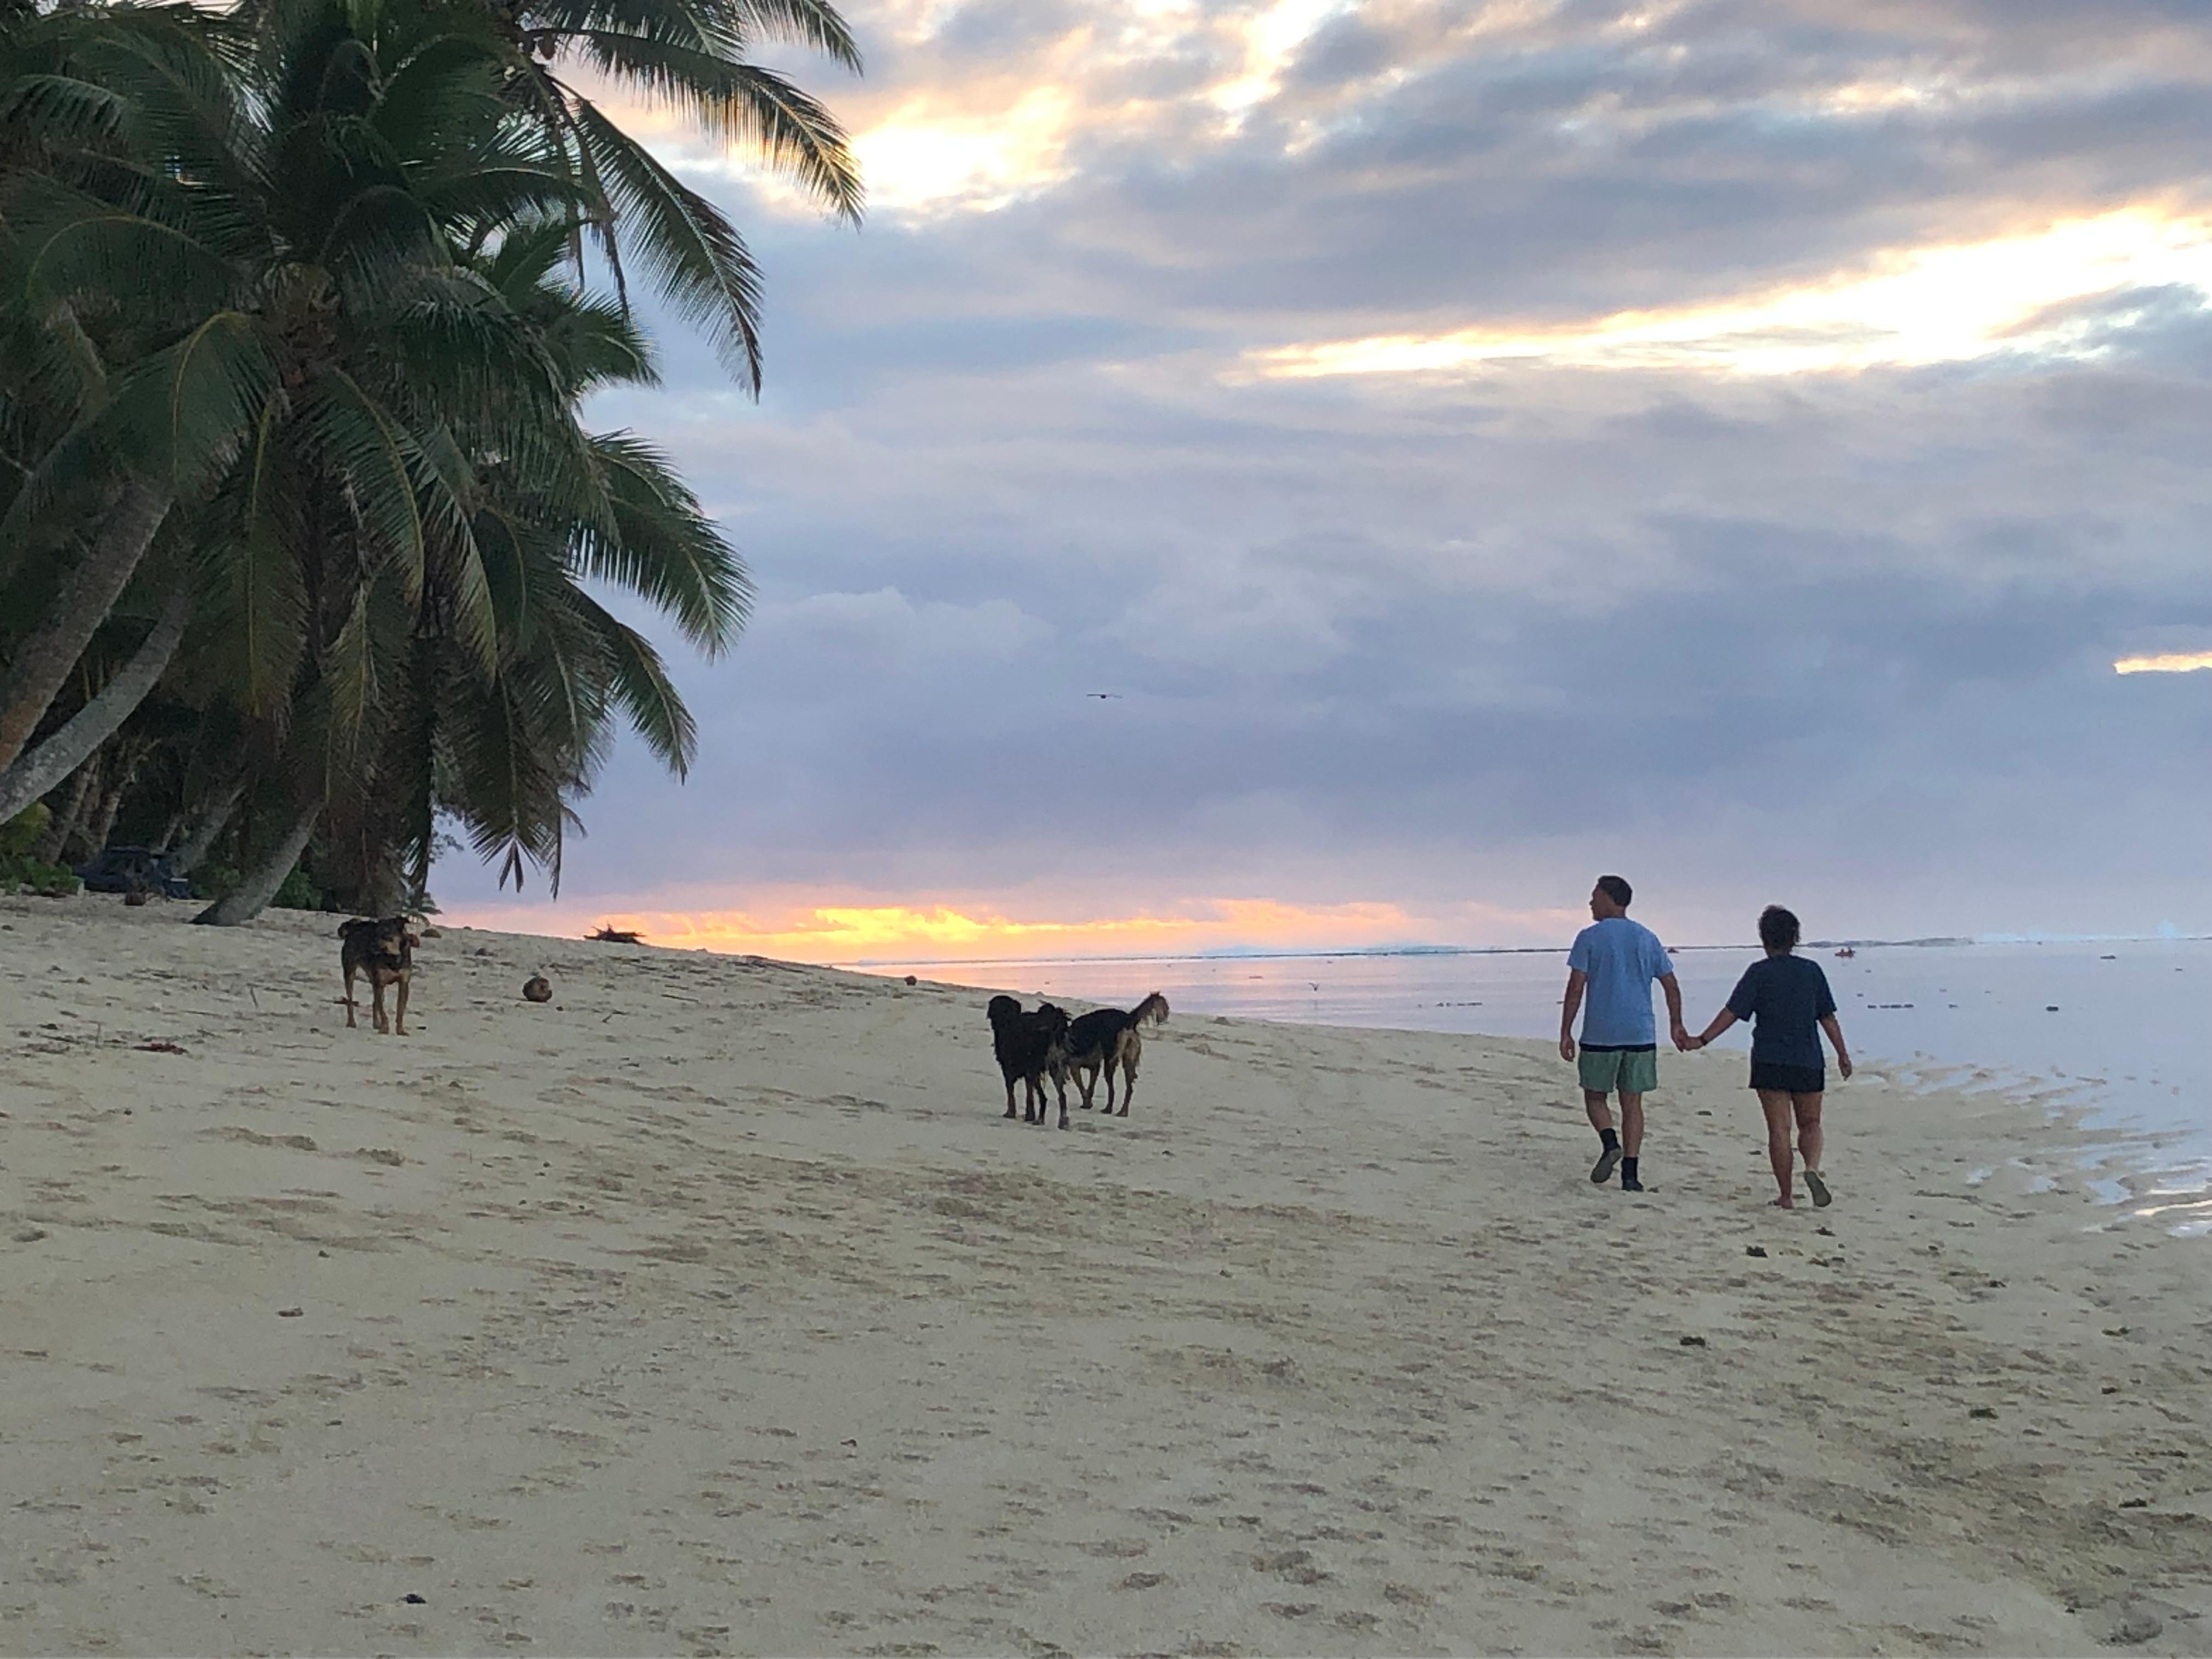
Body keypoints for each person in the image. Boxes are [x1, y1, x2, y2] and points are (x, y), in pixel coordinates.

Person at [1686, 904, 1852, 1209]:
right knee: (1812, 1123)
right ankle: (1812, 1169)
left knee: (1779, 1129)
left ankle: (1786, 1196)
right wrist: (1842, 1054)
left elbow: (1732, 1013)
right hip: (1808, 1059)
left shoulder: (1759, 973)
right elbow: (1827, 1017)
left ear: (1764, 938)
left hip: (1770, 1059)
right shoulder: (1812, 971)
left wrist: (1702, 1040)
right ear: (1795, 938)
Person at [1560, 875, 1688, 1193]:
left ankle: (1609, 1143)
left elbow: (1577, 986)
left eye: (1595, 897)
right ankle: (1630, 1175)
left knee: (1594, 1096)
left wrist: (1566, 1031)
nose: (1590, 903)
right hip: (1640, 1032)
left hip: (1602, 1032)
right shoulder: (1647, 937)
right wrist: (1676, 1024)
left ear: (1611, 899)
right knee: (1633, 1104)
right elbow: (1671, 984)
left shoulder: (1589, 937)